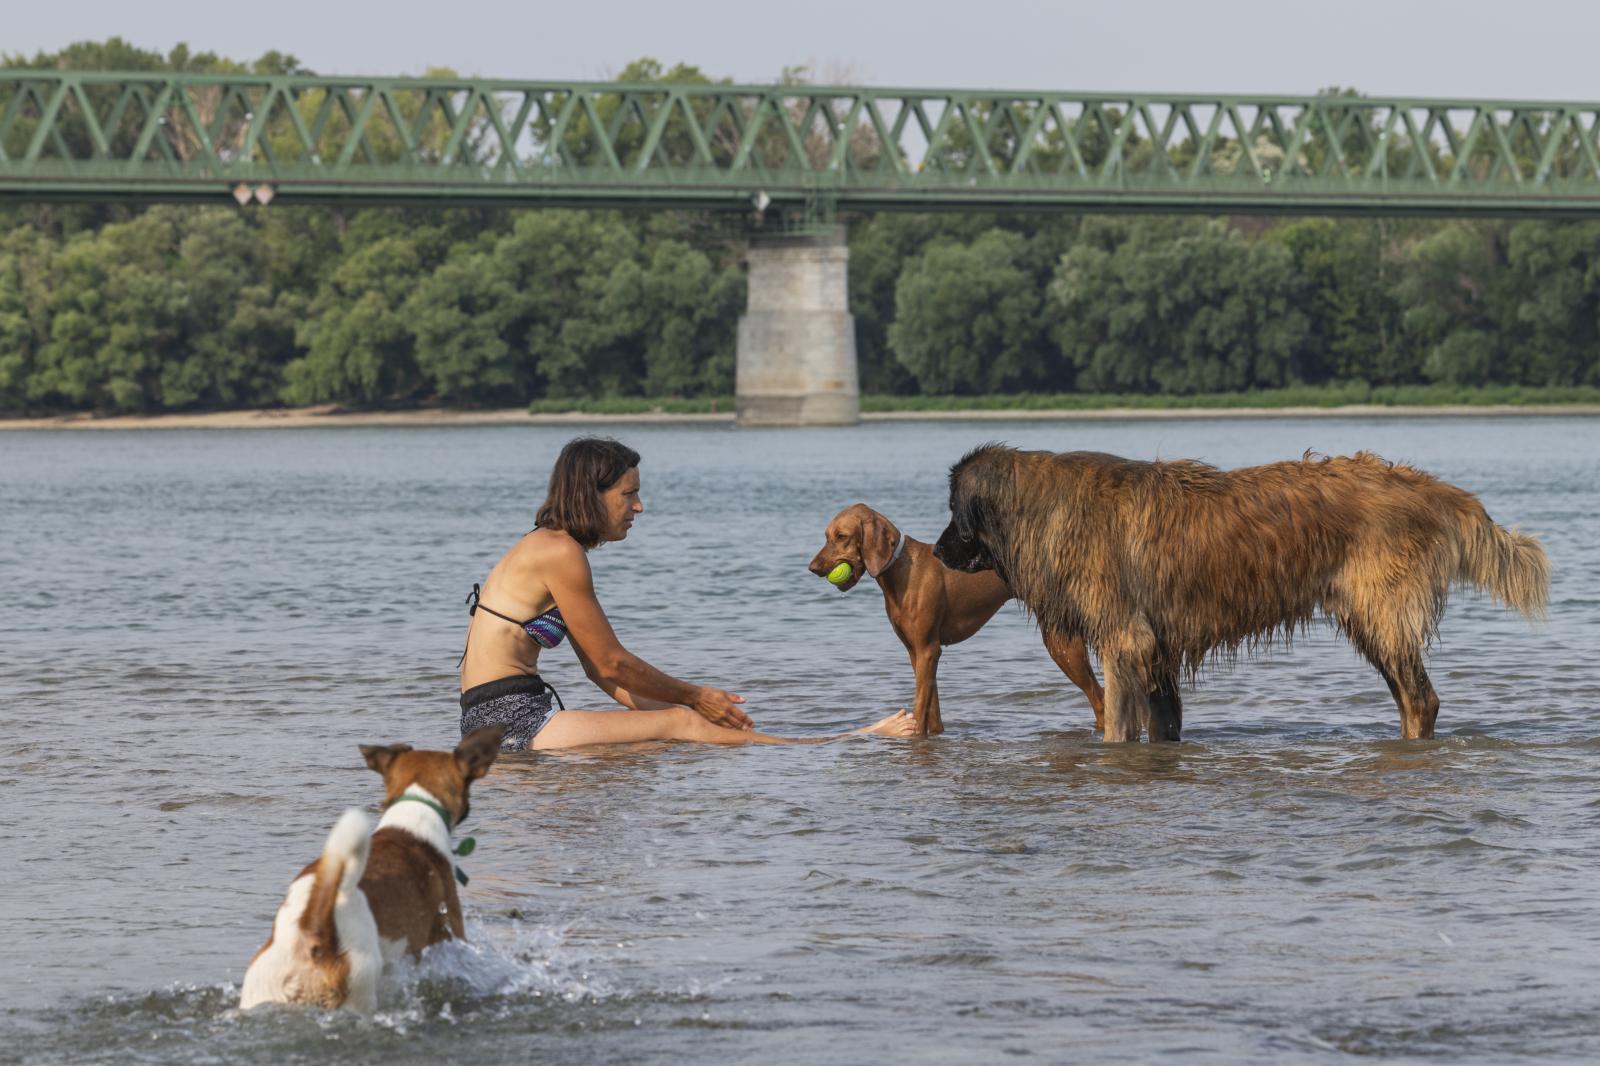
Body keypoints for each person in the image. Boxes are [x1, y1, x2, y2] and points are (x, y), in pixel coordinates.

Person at [459, 436, 916, 750]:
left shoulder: (549, 544)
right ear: (592, 495)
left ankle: (787, 743)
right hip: (510, 723)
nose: (638, 506)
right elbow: (611, 662)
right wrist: (693, 699)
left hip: (503, 717)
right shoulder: (559, 553)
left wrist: (695, 715)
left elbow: (603, 677)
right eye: (628, 494)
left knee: (679, 736)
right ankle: (842, 741)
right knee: (680, 725)